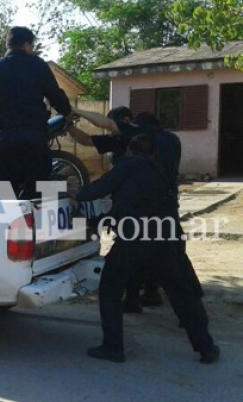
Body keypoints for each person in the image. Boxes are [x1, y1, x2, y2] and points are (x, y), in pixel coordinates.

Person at [76, 134, 219, 364]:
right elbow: (139, 204)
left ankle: (113, 347)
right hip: (164, 241)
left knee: (110, 291)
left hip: (132, 241)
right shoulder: (162, 171)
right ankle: (206, 348)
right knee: (181, 295)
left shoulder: (128, 166)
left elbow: (95, 191)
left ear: (131, 150)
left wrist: (77, 194)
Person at [69, 107, 183, 309]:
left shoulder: (142, 144)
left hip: (139, 211)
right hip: (163, 210)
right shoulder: (165, 141)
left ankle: (136, 299)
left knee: (131, 255)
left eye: (117, 128)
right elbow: (87, 141)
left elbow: (108, 125)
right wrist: (69, 127)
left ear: (128, 123)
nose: (113, 133)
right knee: (168, 256)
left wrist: (73, 110)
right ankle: (152, 295)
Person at [0, 26, 73, 199]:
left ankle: (9, 224)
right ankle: (41, 224)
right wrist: (67, 112)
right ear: (26, 45)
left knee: (4, 197)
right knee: (40, 197)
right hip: (35, 141)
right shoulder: (39, 66)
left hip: (6, 142)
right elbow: (55, 95)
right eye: (32, 46)